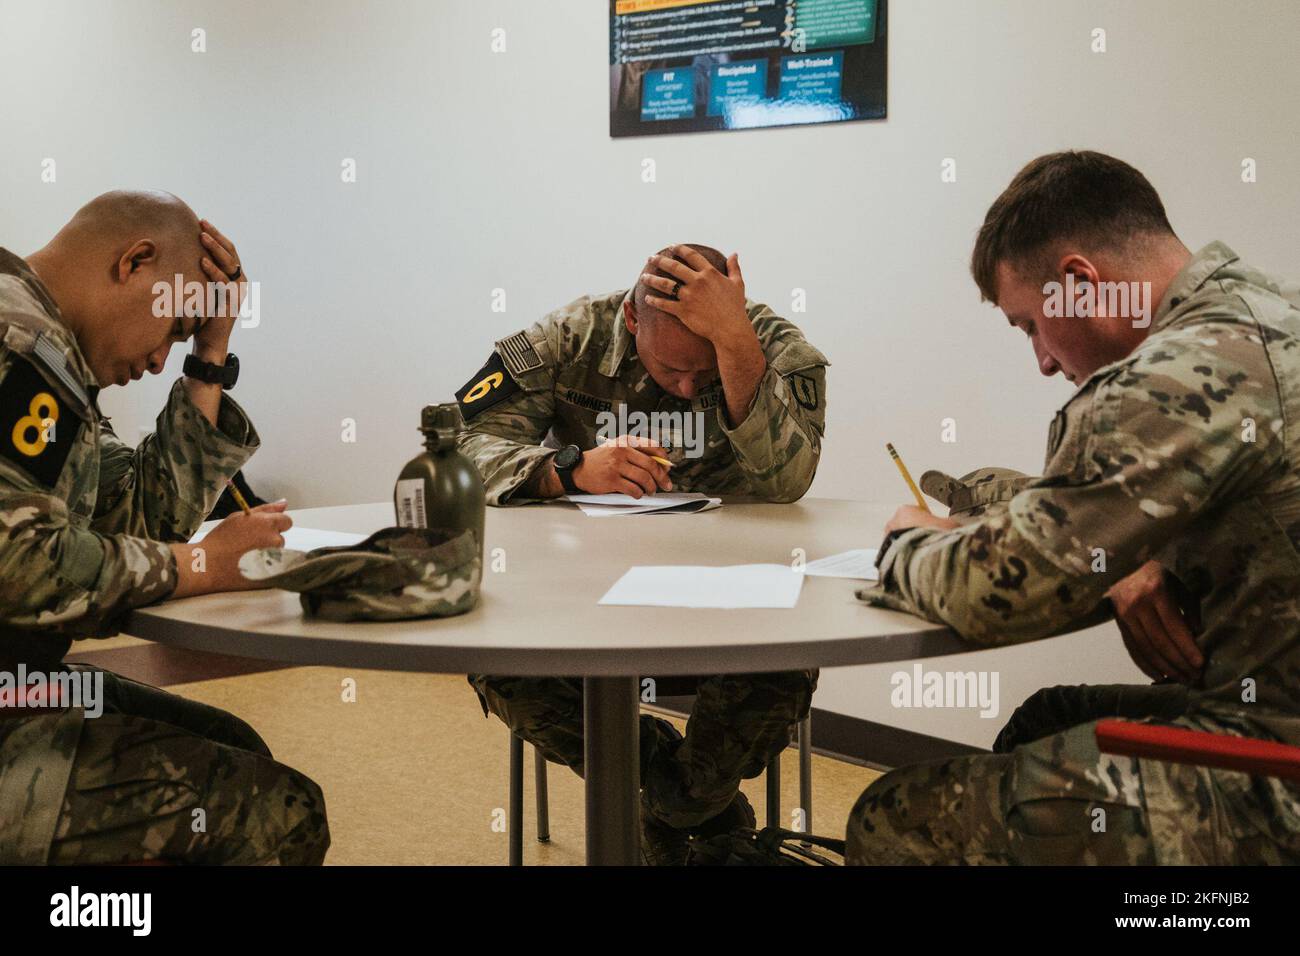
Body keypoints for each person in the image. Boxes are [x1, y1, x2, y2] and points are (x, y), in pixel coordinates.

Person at [847, 151, 1300, 865]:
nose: (1044, 363)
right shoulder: (1268, 312)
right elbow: (1131, 506)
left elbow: (995, 594)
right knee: (1047, 720)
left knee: (892, 816)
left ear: (1081, 286)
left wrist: (905, 544)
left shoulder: (1177, 373)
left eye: (1031, 326)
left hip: (1277, 769)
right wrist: (1132, 552)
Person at [456, 243, 828, 863]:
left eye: (702, 374)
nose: (686, 388)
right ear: (633, 320)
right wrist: (566, 470)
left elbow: (789, 479)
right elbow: (466, 447)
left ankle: (673, 805)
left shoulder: (771, 344)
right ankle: (696, 801)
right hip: (589, 595)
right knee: (498, 662)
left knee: (783, 669)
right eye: (671, 369)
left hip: (736, 598)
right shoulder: (571, 339)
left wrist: (735, 345)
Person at [0, 190, 329, 865]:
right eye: (175, 329)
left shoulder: (49, 349)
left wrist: (211, 353)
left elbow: (142, 512)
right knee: (278, 815)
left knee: (235, 750)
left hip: (19, 680)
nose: (157, 362)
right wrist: (201, 565)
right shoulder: (21, 345)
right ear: (136, 262)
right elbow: (22, 570)